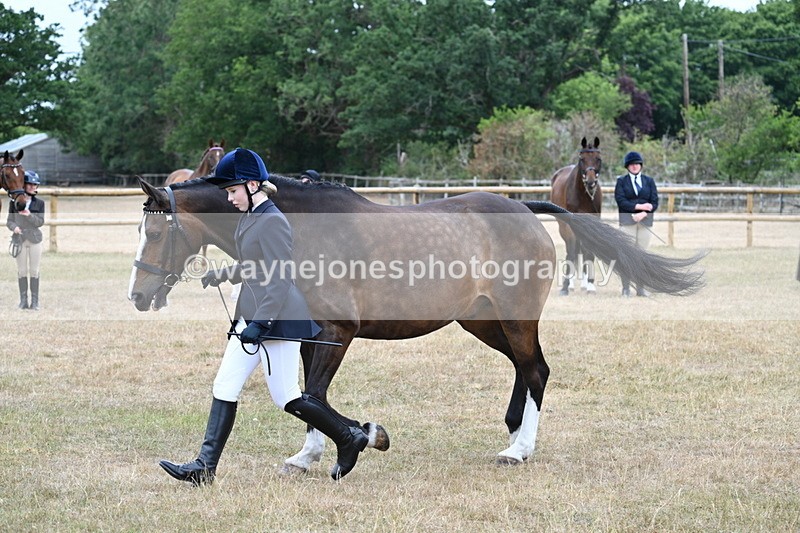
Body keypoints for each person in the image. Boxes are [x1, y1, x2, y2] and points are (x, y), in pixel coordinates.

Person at [159, 148, 368, 485]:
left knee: (287, 396)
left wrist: (262, 324)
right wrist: (225, 273)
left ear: (253, 185)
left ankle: (348, 438)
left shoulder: (272, 220)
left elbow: (281, 277)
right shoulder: (252, 217)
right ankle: (204, 467)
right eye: (227, 192)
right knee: (225, 385)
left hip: (277, 319)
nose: (229, 199)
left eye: (232, 191)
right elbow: (256, 264)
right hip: (254, 314)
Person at [614, 151, 659, 297]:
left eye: (637, 164)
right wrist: (639, 207)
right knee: (626, 255)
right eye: (632, 164)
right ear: (627, 166)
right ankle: (626, 288)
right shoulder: (621, 181)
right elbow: (621, 201)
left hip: (645, 222)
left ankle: (640, 288)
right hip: (628, 222)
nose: (634, 167)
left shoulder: (649, 181)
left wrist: (644, 213)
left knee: (641, 255)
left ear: (641, 165)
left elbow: (654, 202)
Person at [6, 170, 45, 310]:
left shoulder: (40, 203)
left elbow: (40, 222)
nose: (33, 187)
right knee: (22, 271)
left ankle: (35, 302)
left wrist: (29, 216)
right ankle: (23, 300)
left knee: (34, 271)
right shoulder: (13, 203)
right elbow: (9, 221)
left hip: (34, 240)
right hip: (20, 239)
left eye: (35, 185)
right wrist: (14, 227)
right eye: (31, 185)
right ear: (25, 185)